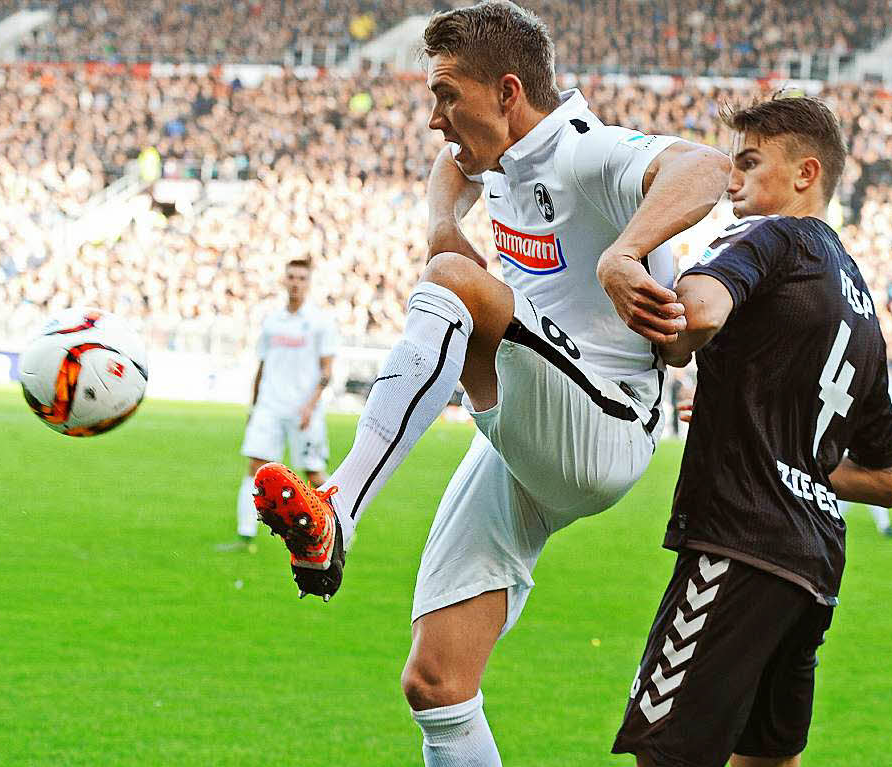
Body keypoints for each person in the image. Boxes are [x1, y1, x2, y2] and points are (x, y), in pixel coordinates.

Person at [251, 2, 729, 764]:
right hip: (535, 429)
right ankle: (339, 515)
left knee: (453, 281)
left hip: (605, 422)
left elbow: (708, 166)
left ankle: (338, 504)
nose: (436, 119)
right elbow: (453, 201)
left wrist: (624, 254)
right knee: (436, 681)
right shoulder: (506, 155)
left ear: (509, 91)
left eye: (447, 94)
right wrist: (443, 208)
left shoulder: (584, 151)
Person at [613, 95, 892, 767]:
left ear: (806, 174)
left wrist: (633, 274)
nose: (730, 178)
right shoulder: (862, 304)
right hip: (813, 567)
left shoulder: (766, 236)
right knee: (767, 759)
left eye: (747, 162)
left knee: (668, 755)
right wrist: (780, 447)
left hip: (738, 544)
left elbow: (703, 315)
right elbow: (887, 481)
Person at [232, 258, 336, 548]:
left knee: (313, 472)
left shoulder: (320, 322)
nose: (295, 282)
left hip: (304, 410)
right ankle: (245, 534)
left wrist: (310, 406)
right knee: (255, 468)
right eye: (291, 276)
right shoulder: (272, 321)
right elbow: (262, 367)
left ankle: (339, 528)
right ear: (284, 279)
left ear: (309, 282)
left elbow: (327, 370)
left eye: (302, 278)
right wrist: (253, 408)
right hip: (269, 407)